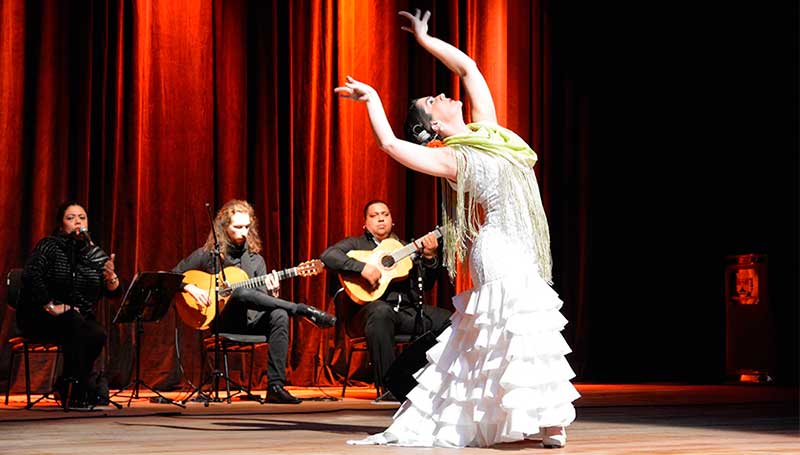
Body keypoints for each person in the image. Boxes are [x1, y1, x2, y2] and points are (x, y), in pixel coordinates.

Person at [335, 9, 579, 449]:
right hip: (498, 248)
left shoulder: (489, 132)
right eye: (433, 101)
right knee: (515, 325)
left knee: (527, 326)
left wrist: (426, 40)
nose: (443, 95)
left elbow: (468, 69)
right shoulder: (452, 158)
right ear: (431, 125)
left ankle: (544, 417)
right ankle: (547, 423)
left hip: (524, 246)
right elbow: (390, 144)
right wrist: (372, 99)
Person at [171, 199, 336, 404]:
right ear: (224, 227)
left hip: (250, 322)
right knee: (240, 292)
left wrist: (273, 293)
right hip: (223, 321)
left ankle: (275, 386)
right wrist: (190, 287)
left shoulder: (256, 259)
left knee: (279, 314)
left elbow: (259, 299)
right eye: (238, 227)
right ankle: (301, 310)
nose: (244, 232)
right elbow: (172, 276)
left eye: (247, 227)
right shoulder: (209, 255)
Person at [320, 199, 452, 400]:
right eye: (374, 215)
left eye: (385, 214)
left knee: (449, 321)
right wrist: (362, 268)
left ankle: (424, 379)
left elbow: (426, 284)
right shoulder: (356, 244)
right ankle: (389, 388)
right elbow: (328, 256)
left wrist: (430, 258)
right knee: (381, 312)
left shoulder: (405, 248)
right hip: (367, 315)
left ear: (392, 221)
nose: (381, 218)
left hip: (405, 312)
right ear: (365, 224)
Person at [17, 201, 121, 408]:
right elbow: (31, 276)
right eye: (70, 218)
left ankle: (69, 383)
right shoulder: (50, 246)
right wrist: (50, 305)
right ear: (61, 224)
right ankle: (75, 389)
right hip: (42, 316)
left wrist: (111, 277)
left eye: (82, 218)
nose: (77, 222)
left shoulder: (95, 254)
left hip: (78, 318)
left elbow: (114, 293)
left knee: (97, 333)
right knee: (76, 324)